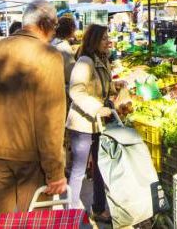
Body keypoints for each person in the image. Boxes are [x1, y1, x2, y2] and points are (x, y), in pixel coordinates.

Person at [0, 0, 67, 217]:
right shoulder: (48, 55)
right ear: (46, 24)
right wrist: (55, 170)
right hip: (31, 158)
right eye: (55, 26)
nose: (55, 32)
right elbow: (51, 118)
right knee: (33, 219)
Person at [66, 24, 129, 222]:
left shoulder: (103, 60)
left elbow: (104, 87)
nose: (108, 41)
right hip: (82, 124)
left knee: (100, 167)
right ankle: (72, 214)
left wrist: (115, 86)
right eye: (103, 38)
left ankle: (99, 209)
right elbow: (76, 91)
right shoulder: (85, 61)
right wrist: (96, 108)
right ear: (94, 40)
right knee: (78, 171)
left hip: (99, 124)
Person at [54, 15, 77, 87]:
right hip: (61, 88)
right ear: (71, 29)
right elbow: (71, 75)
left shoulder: (53, 42)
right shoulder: (64, 48)